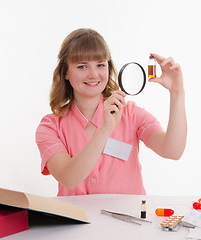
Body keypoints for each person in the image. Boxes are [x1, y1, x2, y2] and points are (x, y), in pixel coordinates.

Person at [36, 28, 187, 196]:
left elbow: (173, 151)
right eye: (82, 66)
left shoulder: (131, 113)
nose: (93, 75)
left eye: (100, 65)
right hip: (77, 221)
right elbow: (69, 179)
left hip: (128, 220)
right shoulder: (50, 126)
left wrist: (177, 92)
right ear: (65, 72)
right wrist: (105, 128)